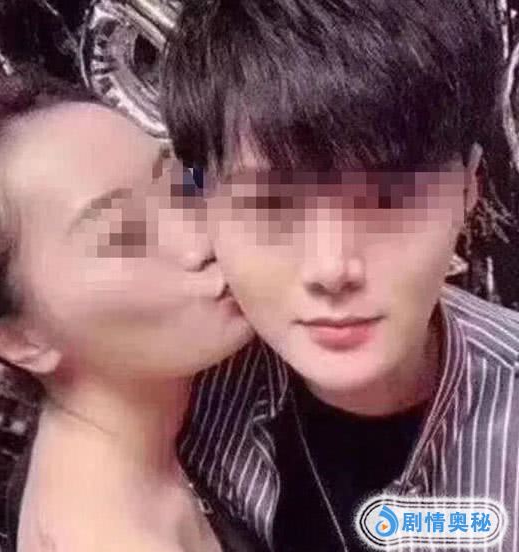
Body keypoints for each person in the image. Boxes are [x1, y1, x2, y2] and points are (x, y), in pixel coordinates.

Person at [162, 0, 519, 550]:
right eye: (270, 205)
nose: (332, 270)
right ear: (201, 201)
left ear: (468, 187)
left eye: (390, 198)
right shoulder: (181, 396)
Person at [0, 67, 265, 552]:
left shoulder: (151, 438)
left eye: (179, 184)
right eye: (122, 236)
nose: (199, 238)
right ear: (21, 341)